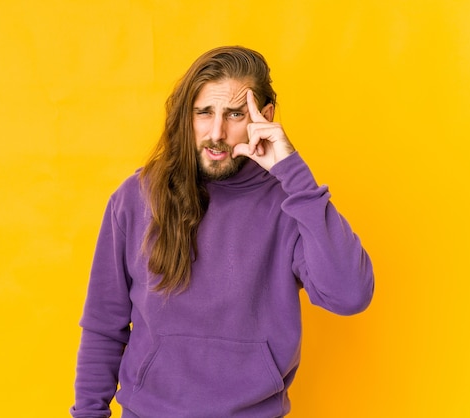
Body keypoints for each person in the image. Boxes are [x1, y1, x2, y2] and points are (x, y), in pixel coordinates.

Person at [70, 45, 374, 418]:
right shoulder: (135, 198)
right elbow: (104, 326)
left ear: (265, 117)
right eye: (204, 113)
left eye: (233, 114)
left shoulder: (290, 202)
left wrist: (294, 174)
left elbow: (350, 295)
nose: (217, 133)